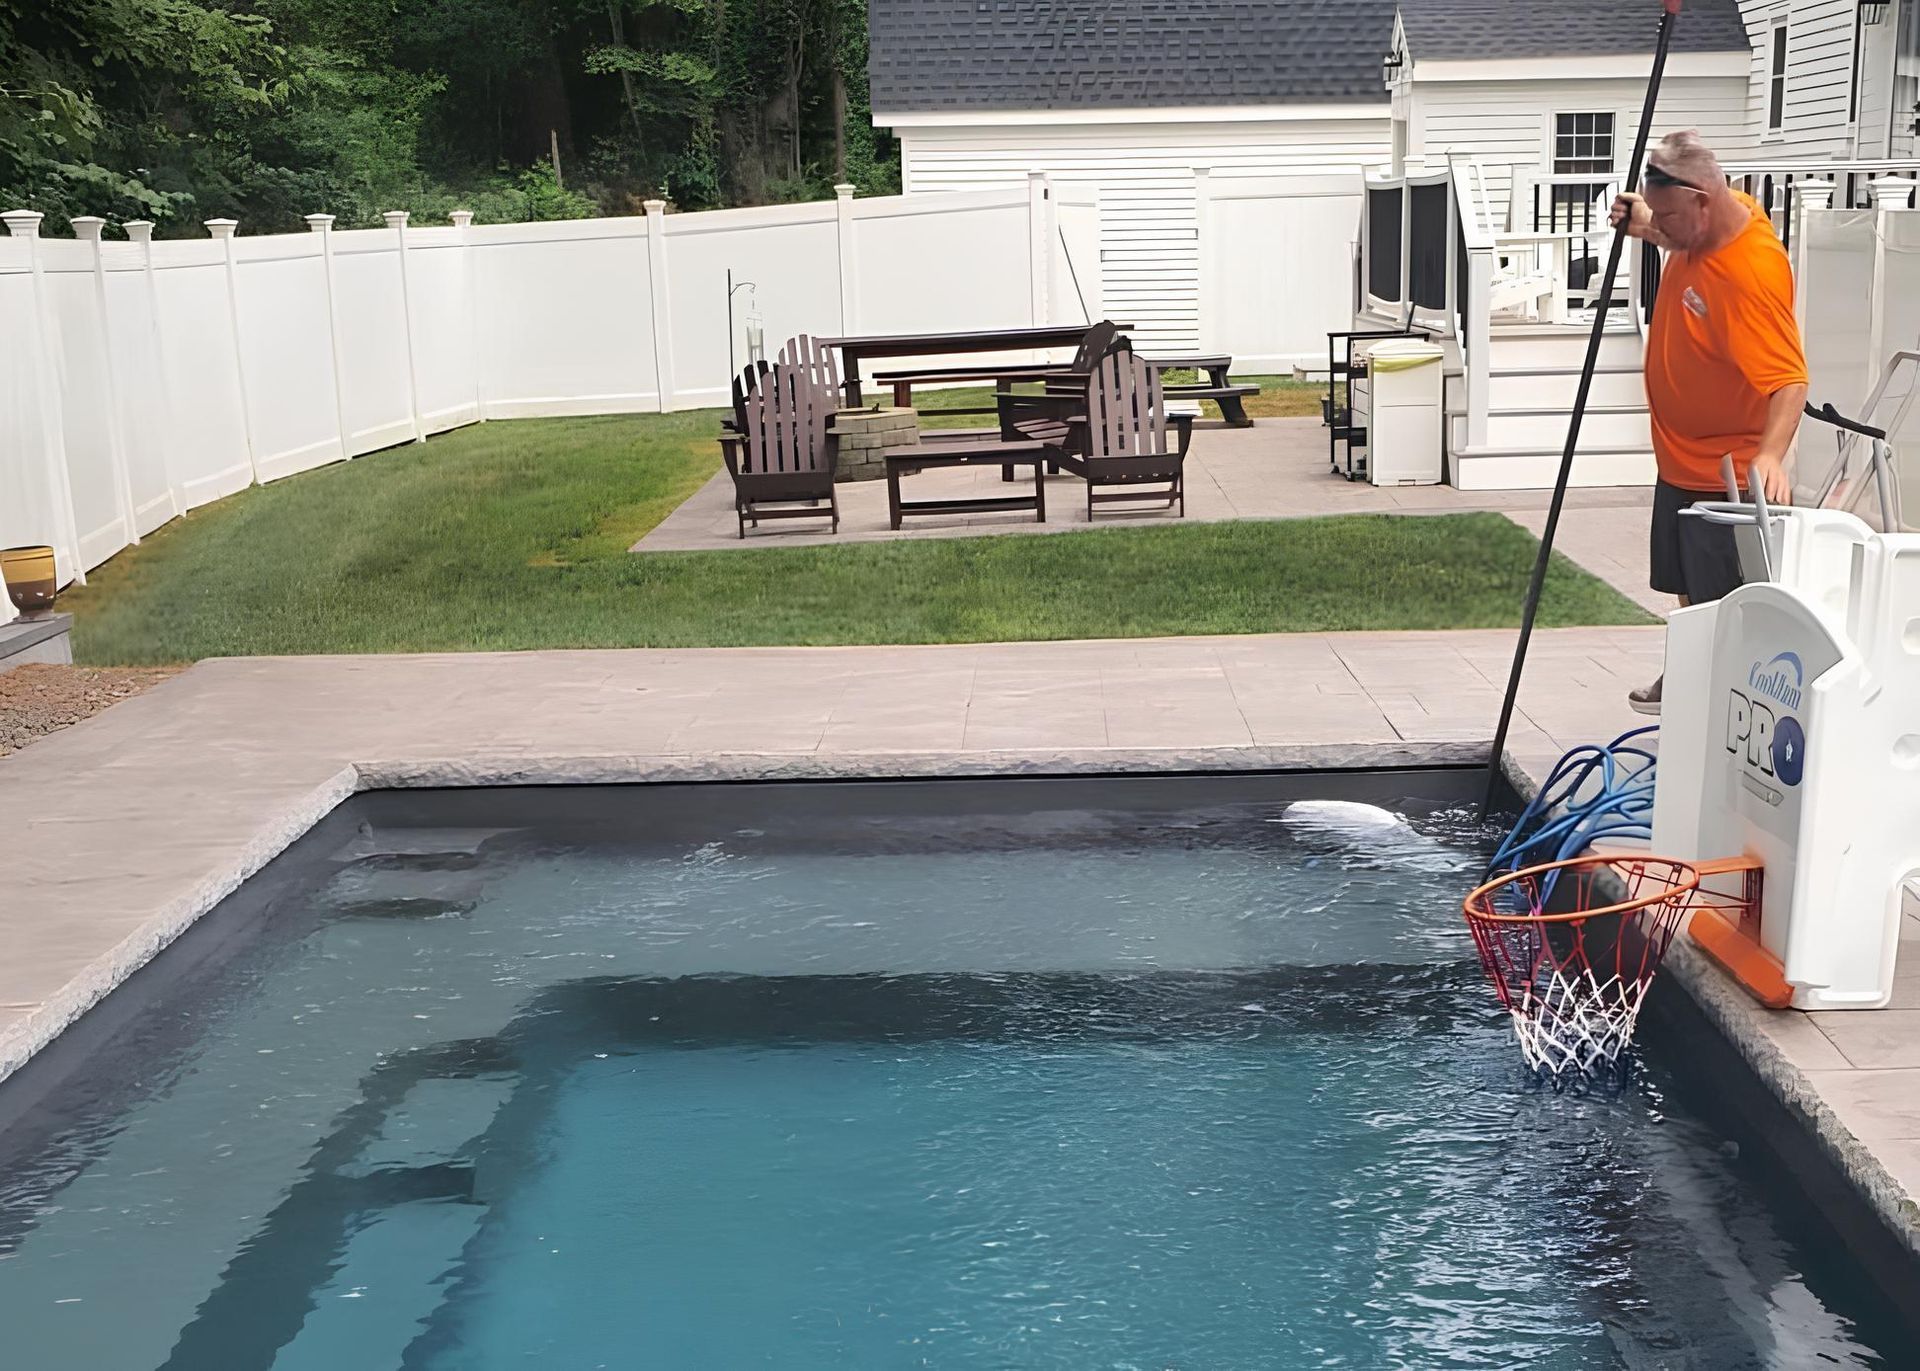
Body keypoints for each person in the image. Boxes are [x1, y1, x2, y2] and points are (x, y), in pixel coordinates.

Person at [1610, 130, 1808, 715]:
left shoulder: (1750, 275)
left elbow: (1790, 380)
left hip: (1724, 471)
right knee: (1687, 586)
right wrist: (1641, 221)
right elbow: (1672, 230)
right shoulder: (1717, 216)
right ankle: (1690, 667)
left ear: (1702, 199)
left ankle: (1723, 701)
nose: (1661, 230)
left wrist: (1768, 456)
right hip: (1680, 457)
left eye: (1668, 217)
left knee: (1725, 597)